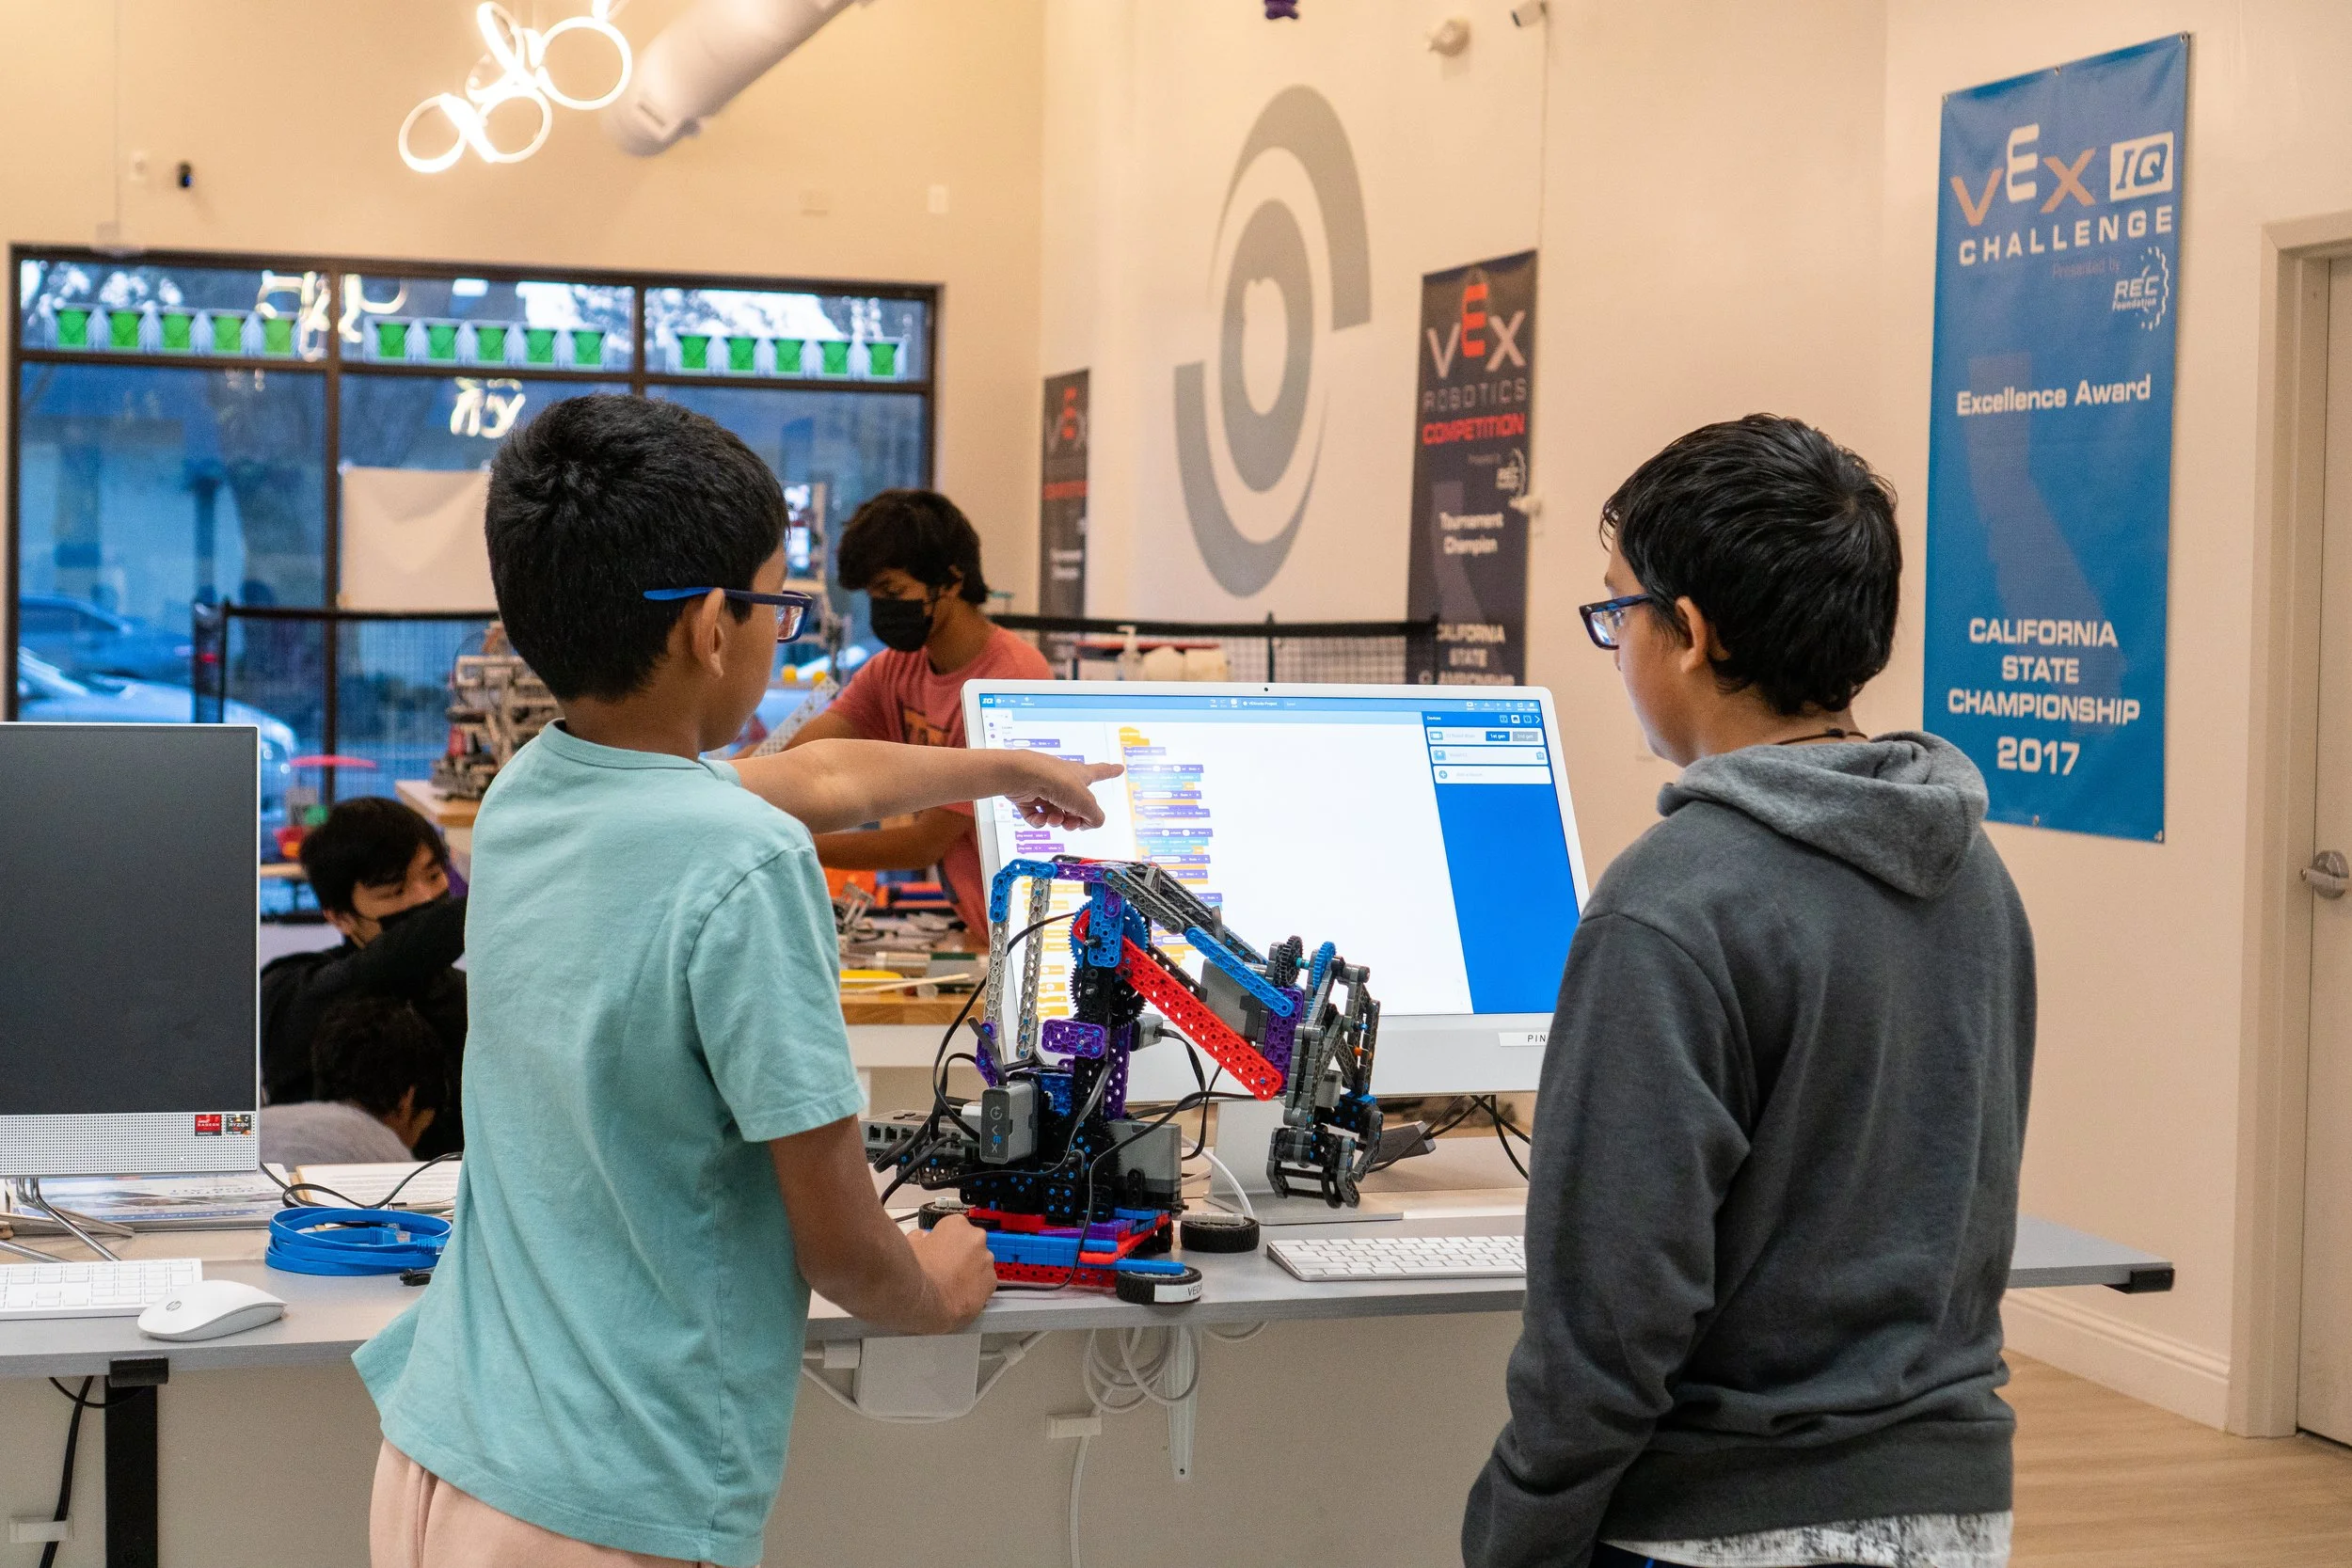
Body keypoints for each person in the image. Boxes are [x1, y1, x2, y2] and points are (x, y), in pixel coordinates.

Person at [356, 394, 1120, 1568]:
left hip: (443, 1449)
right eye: (777, 602)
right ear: (713, 628)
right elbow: (843, 1250)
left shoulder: (527, 791)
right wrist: (940, 1278)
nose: (782, 630)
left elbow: (815, 778)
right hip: (603, 1500)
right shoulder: (744, 864)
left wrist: (1006, 764)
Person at [1462, 415, 2033, 1568]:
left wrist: (1518, 1529)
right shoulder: (1971, 866)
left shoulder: (1669, 902)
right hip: (1958, 1511)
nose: (1613, 642)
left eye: (1616, 609)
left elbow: (1610, 1312)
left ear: (1690, 633)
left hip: (1723, 1517)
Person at [786, 487, 1054, 934]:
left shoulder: (1010, 683)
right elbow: (806, 750)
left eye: (893, 590)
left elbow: (924, 843)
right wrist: (738, 782)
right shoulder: (897, 667)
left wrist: (792, 843)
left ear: (950, 581)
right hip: (978, 920)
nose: (882, 608)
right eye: (873, 593)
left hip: (1025, 934)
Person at [261, 797, 468, 1159]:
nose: (425, 897)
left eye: (434, 876)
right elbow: (394, 958)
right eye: (394, 891)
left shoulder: (466, 998)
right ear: (340, 916)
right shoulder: (292, 991)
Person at [260, 996, 446, 1166]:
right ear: (406, 1099)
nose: (411, 1144)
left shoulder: (258, 1125)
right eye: (420, 1131)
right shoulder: (386, 1156)